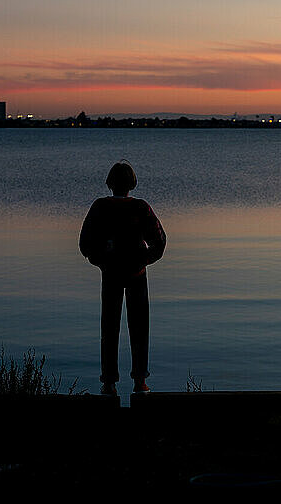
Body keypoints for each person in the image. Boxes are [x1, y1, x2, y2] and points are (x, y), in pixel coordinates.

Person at [79, 160, 166, 396]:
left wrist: (101, 261)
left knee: (109, 327)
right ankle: (140, 381)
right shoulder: (141, 208)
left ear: (110, 183)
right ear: (132, 183)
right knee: (139, 328)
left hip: (111, 275)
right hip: (136, 274)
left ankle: (109, 383)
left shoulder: (100, 207)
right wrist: (143, 259)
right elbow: (159, 241)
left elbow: (85, 243)